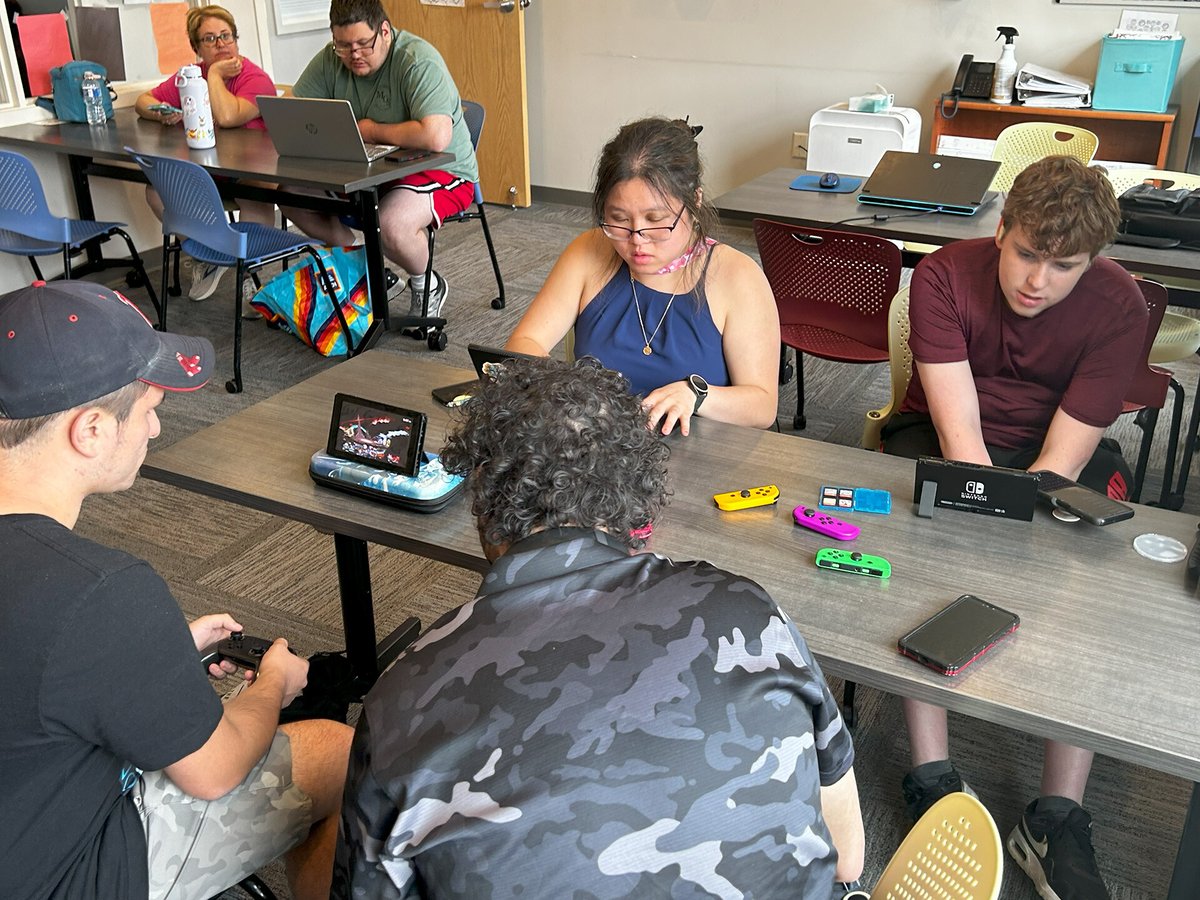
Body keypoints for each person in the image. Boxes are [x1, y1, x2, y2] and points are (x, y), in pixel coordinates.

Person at [335, 356, 864, 899]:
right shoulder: (748, 611)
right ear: (634, 499)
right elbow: (847, 856)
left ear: (483, 508)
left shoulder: (402, 700)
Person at [0, 280, 353, 900]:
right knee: (336, 751)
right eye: (148, 408)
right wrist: (274, 683)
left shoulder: (91, 608)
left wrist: (149, 654)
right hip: (53, 877)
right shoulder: (102, 592)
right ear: (89, 430)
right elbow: (215, 772)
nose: (157, 428)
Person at [880, 156, 1147, 900]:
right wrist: (982, 535)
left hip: (1057, 457)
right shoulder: (941, 275)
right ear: (1001, 231)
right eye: (1027, 254)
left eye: (1063, 266)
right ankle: (933, 778)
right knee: (926, 565)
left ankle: (1056, 815)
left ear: (1093, 262)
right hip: (942, 436)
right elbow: (960, 438)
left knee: (1084, 584)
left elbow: (1062, 461)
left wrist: (1027, 549)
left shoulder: (1119, 304)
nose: (1038, 279)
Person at [506, 117, 780, 436]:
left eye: (656, 220)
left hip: (700, 456)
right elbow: (524, 343)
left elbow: (762, 407)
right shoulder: (589, 251)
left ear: (695, 201)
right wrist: (565, 389)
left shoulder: (737, 276)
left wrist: (698, 396)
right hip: (598, 447)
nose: (637, 239)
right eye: (619, 219)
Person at [284, 0, 479, 329]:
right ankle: (366, 261)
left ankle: (425, 283)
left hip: (442, 171)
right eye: (343, 46)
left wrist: (370, 129)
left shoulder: (417, 60)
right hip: (368, 171)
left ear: (384, 31)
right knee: (291, 194)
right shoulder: (333, 59)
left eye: (363, 44)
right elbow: (293, 110)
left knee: (390, 224)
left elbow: (436, 136)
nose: (353, 54)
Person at [135, 4, 278, 302]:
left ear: (237, 39)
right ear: (196, 46)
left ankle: (247, 274)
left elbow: (227, 116)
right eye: (210, 39)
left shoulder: (254, 78)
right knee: (156, 189)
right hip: (209, 171)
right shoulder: (190, 75)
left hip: (251, 172)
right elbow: (142, 101)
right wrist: (163, 113)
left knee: (258, 194)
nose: (221, 44)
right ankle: (205, 254)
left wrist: (214, 75)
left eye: (226, 36)